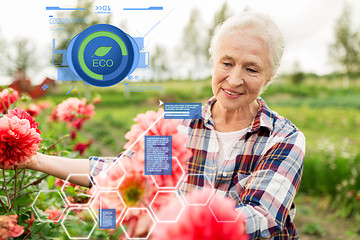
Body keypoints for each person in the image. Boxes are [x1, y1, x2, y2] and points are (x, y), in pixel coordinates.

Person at [6, 11, 305, 239]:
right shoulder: (177, 117)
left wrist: (171, 224)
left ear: (270, 75)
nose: (235, 79)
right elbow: (124, 173)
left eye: (251, 68)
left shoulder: (283, 137)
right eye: (227, 63)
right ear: (214, 61)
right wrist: (35, 159)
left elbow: (260, 218)